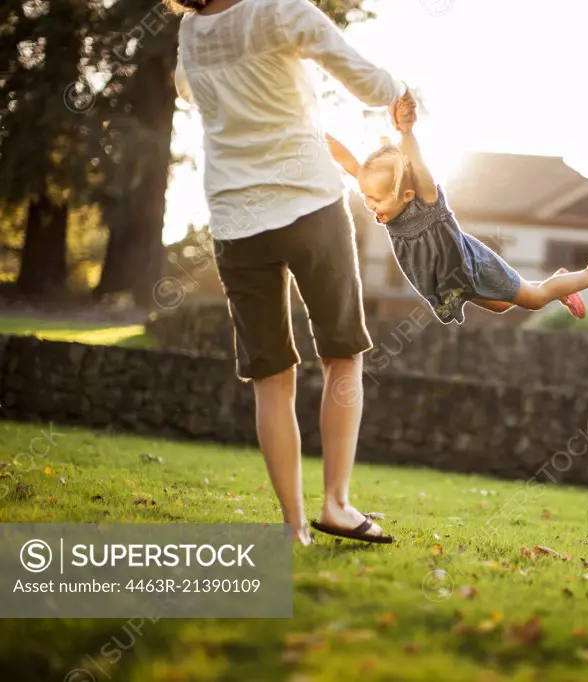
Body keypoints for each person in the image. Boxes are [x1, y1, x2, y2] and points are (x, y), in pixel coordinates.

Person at [168, 0, 413, 544]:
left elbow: (185, 86)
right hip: (310, 207)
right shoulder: (281, 10)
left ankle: (294, 527)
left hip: (235, 221)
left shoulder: (192, 31)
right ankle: (338, 505)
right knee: (342, 354)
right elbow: (372, 85)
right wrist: (402, 84)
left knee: (270, 377)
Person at [324, 95, 588, 325]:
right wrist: (311, 131)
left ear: (406, 194)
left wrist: (406, 132)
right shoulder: (388, 204)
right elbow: (348, 162)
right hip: (454, 280)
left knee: (533, 299)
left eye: (376, 199)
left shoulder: (427, 204)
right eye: (366, 197)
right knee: (502, 304)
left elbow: (418, 164)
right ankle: (560, 283)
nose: (369, 204)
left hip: (472, 267)